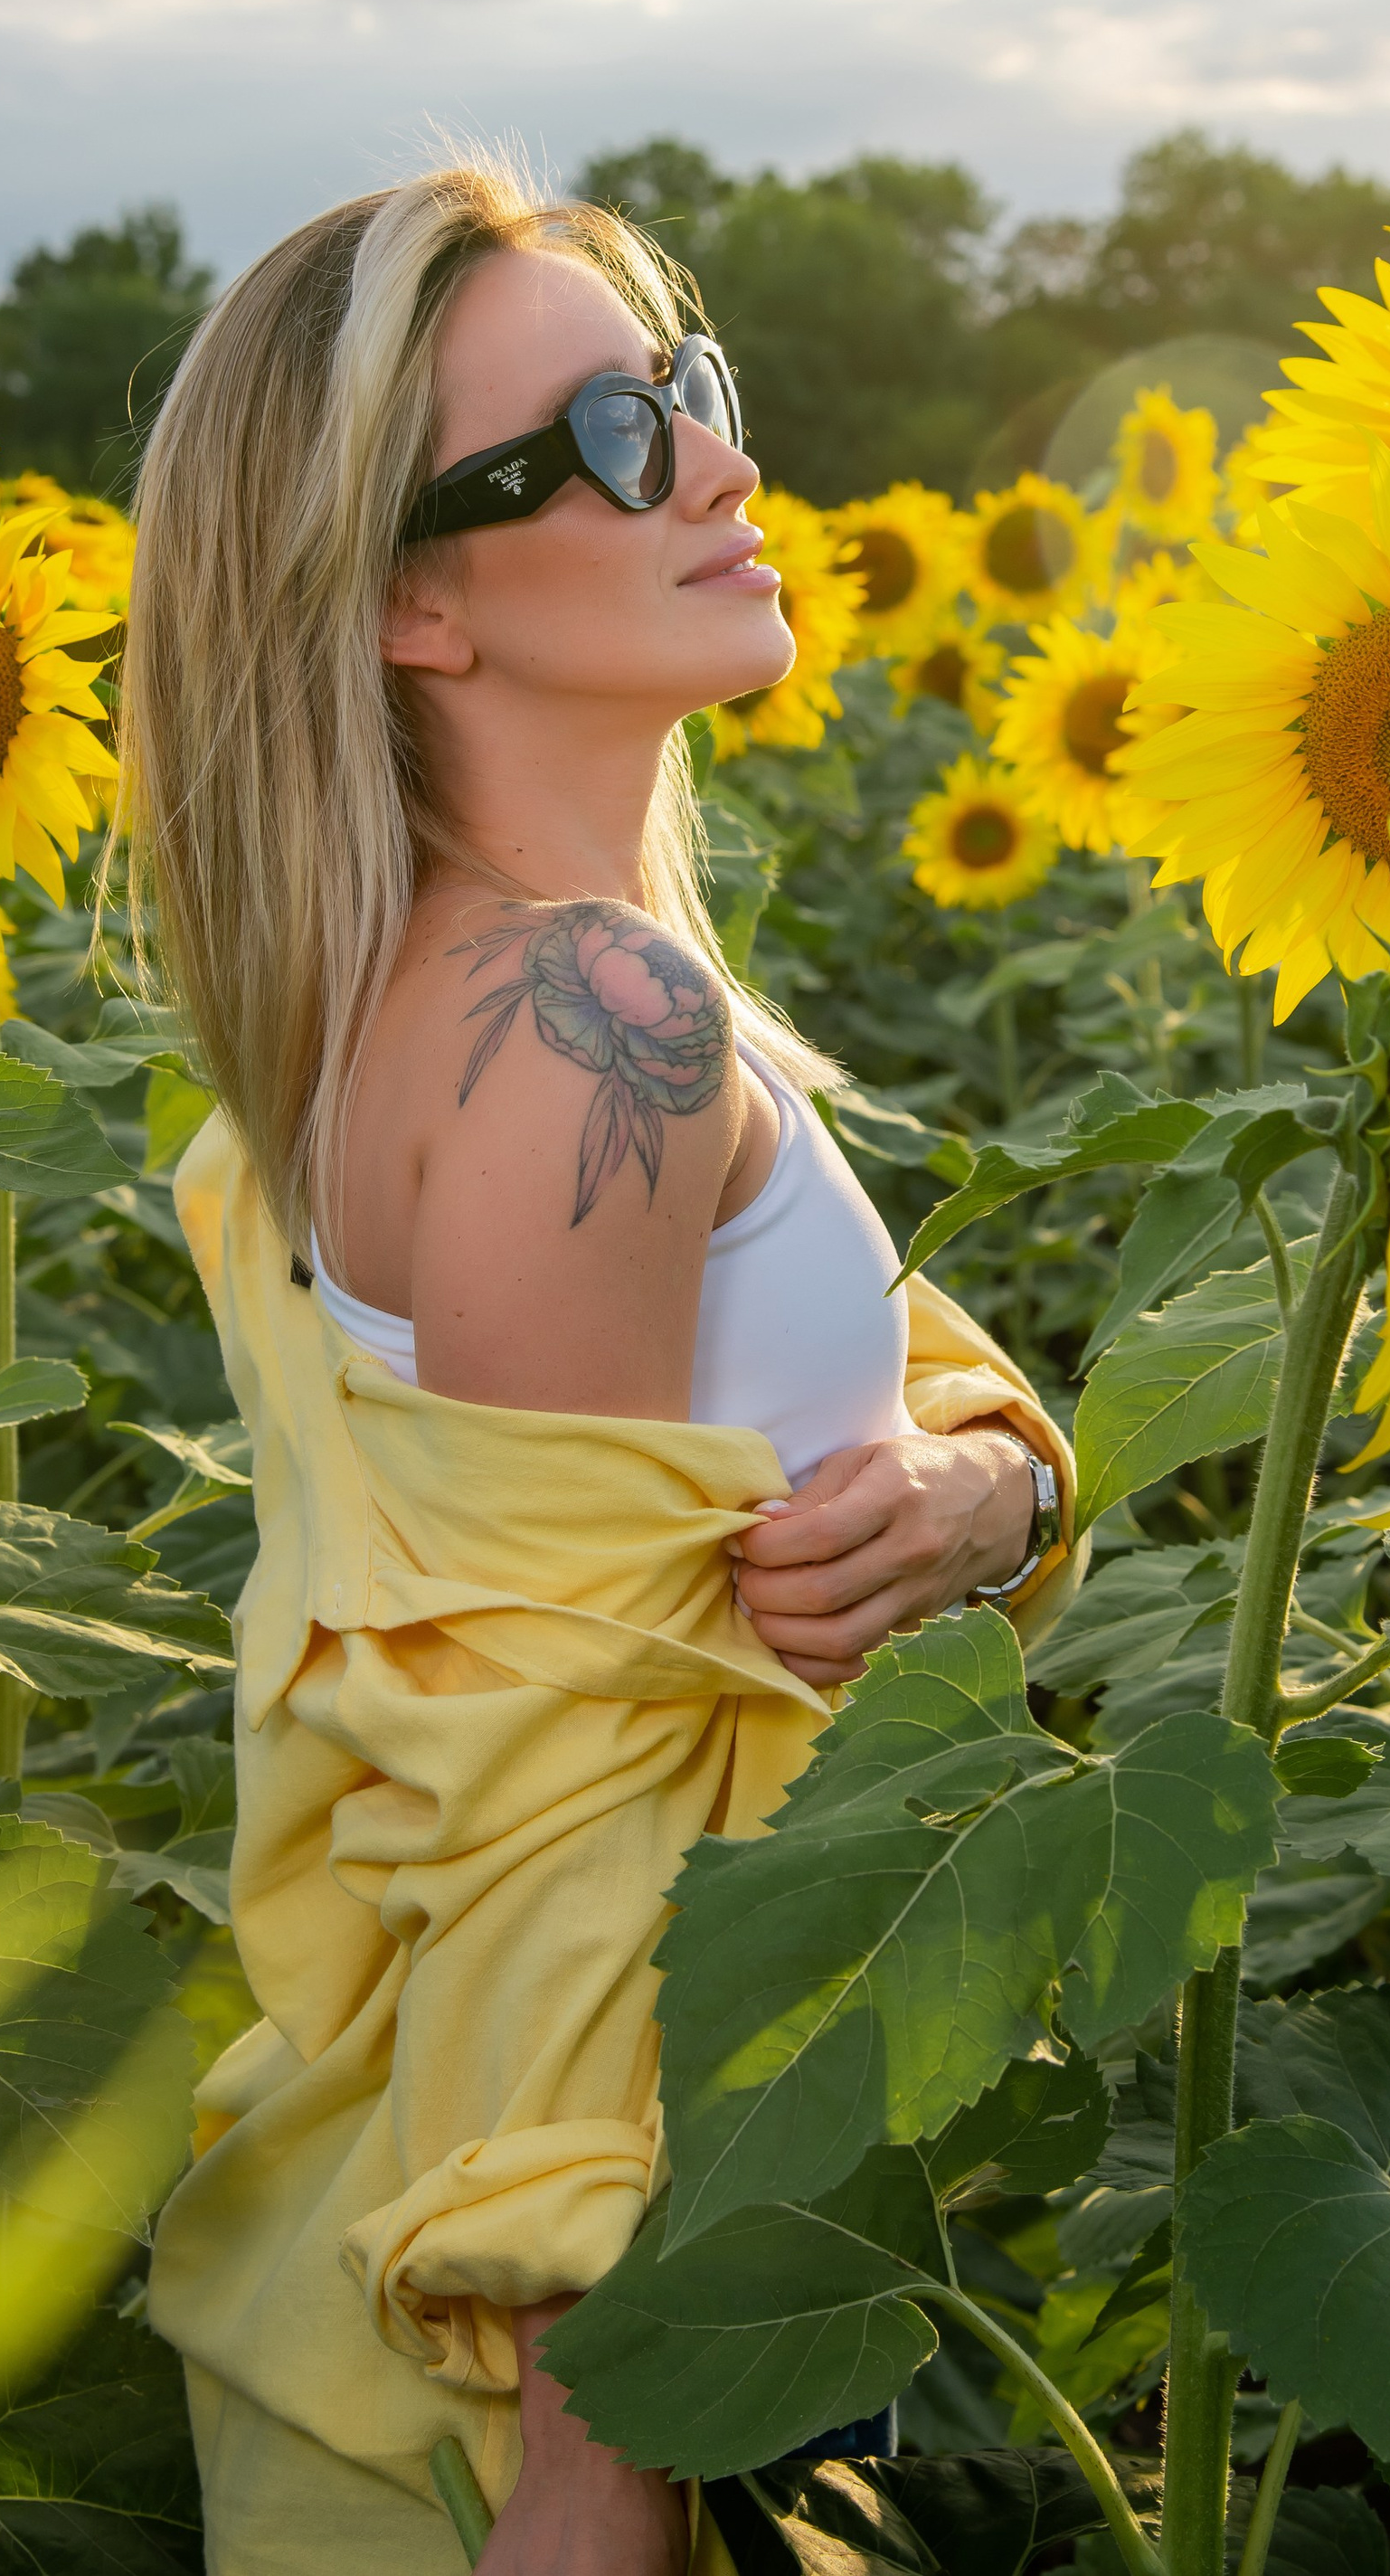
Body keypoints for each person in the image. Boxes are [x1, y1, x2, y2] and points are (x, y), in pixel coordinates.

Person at [126, 162, 1081, 2574]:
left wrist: (995, 1486)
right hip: (557, 2387)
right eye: (620, 436)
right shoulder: (595, 1037)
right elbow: (554, 1821)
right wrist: (596, 2458)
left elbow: (847, 1400)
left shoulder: (441, 1010)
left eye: (698, 391)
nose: (731, 467)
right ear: (418, 597)